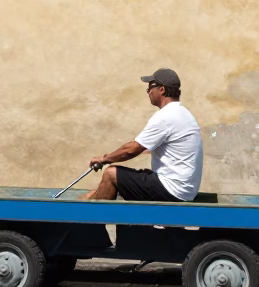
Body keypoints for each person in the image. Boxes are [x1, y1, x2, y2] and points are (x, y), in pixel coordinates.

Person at [84, 68, 203, 202]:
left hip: (172, 189)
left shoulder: (166, 116)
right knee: (98, 191)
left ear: (162, 89)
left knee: (111, 174)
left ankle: (92, 222)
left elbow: (131, 150)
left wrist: (104, 159)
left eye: (150, 87)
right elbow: (145, 147)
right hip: (183, 189)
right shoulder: (183, 113)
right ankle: (86, 203)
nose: (148, 91)